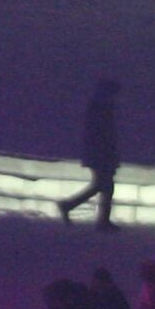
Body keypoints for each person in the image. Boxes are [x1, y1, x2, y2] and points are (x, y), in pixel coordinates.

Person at [53, 78, 120, 229]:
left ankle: (70, 206)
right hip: (102, 153)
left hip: (98, 153)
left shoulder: (97, 108)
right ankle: (101, 221)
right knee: (105, 186)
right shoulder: (102, 109)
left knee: (101, 185)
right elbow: (105, 134)